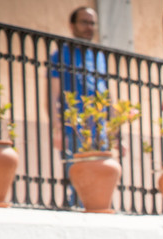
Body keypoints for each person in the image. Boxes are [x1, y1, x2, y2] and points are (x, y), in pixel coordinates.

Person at [49, 6, 106, 206]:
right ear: (72, 25)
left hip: (99, 129)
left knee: (101, 183)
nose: (89, 27)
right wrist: (57, 129)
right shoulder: (59, 55)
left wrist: (116, 133)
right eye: (84, 22)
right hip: (73, 128)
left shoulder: (99, 56)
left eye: (92, 23)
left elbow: (106, 95)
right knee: (78, 182)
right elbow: (53, 95)